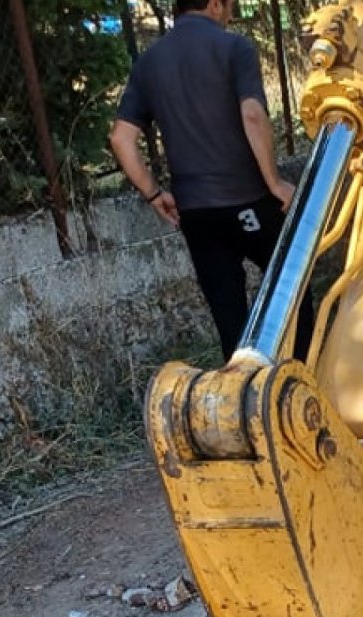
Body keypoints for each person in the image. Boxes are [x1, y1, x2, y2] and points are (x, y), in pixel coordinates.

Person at [109, 0, 313, 361]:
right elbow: (252, 115)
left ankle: (244, 401)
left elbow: (121, 138)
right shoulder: (234, 47)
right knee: (291, 288)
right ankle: (300, 382)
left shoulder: (149, 62)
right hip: (248, 199)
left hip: (195, 211)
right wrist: (274, 183)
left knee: (228, 314)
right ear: (216, 5)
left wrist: (155, 195)